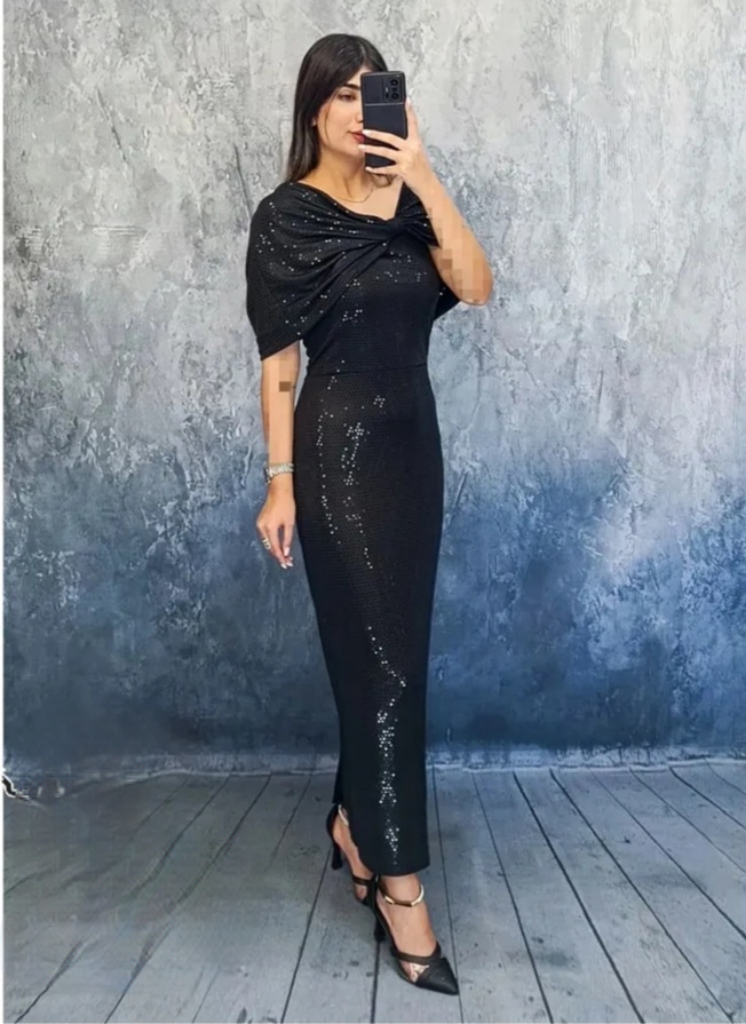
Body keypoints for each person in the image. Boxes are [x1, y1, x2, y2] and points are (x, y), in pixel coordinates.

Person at [245, 33, 492, 994]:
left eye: (372, 92)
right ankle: (401, 886)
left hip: (413, 455)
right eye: (343, 95)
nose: (359, 111)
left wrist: (421, 172)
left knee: (394, 659)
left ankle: (354, 821)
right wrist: (279, 482)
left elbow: (475, 284)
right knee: (382, 667)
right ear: (313, 108)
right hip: (334, 455)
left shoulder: (410, 200)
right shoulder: (286, 219)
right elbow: (279, 361)